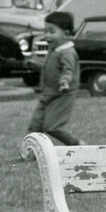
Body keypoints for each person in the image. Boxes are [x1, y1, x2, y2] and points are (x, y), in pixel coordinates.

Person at [27, 11, 82, 146]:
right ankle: (31, 152)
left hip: (62, 94)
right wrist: (36, 66)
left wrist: (64, 81)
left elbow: (67, 70)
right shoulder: (55, 50)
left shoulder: (67, 52)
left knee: (52, 127)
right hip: (48, 93)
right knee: (35, 124)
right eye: (45, 31)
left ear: (66, 34)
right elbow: (52, 69)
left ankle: (76, 144)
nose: (47, 36)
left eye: (52, 32)